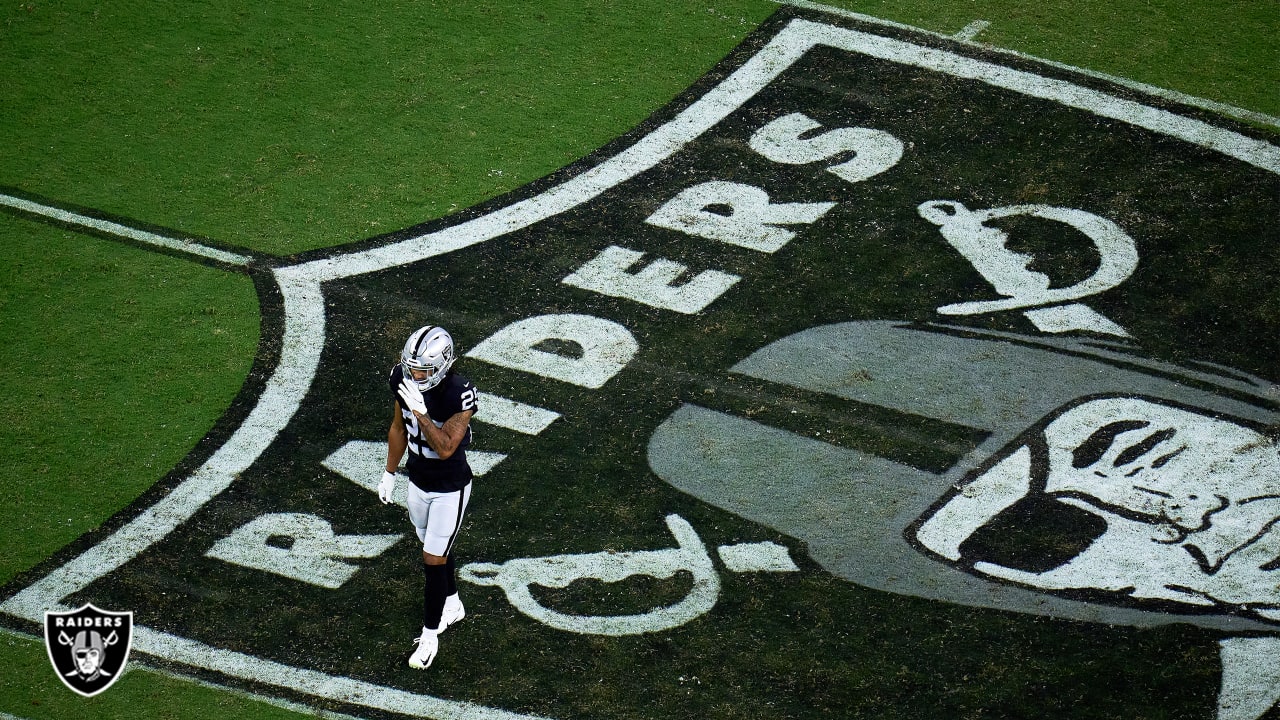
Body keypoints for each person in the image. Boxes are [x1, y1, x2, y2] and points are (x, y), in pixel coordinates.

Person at [378, 325, 479, 669]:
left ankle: (430, 634)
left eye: (422, 369)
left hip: (450, 485)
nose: (414, 374)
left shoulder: (458, 393)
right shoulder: (401, 379)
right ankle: (452, 603)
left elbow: (447, 447)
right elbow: (397, 426)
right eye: (411, 367)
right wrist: (390, 472)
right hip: (417, 480)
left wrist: (421, 412)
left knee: (433, 557)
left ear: (443, 365)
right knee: (434, 549)